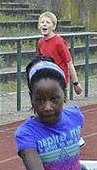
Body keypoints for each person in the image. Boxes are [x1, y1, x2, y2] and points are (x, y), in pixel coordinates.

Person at [37, 11, 86, 148]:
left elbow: (69, 62)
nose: (44, 25)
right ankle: (54, 136)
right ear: (38, 26)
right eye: (42, 22)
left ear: (53, 26)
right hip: (46, 80)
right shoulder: (40, 43)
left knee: (56, 109)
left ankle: (75, 135)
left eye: (48, 22)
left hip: (59, 80)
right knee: (46, 110)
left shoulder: (59, 42)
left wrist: (75, 83)